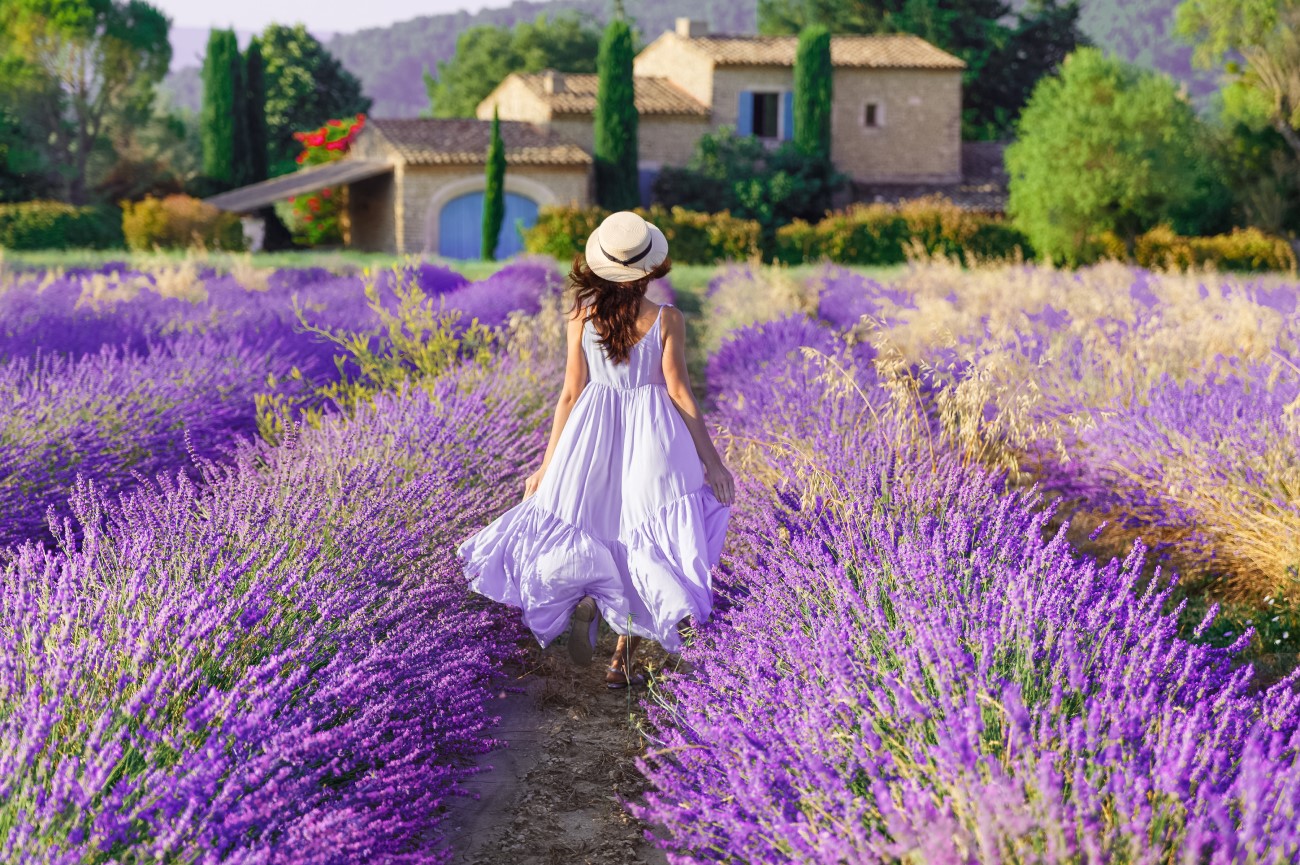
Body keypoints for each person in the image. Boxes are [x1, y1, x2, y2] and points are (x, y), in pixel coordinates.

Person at [456, 211, 734, 689]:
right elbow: (681, 393)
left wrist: (546, 467)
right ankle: (621, 657)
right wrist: (712, 460)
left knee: (591, 520)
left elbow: (569, 393)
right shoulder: (667, 318)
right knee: (644, 530)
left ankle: (588, 594)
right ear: (650, 268)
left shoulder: (581, 317)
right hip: (652, 434)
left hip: (591, 429)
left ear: (600, 265)